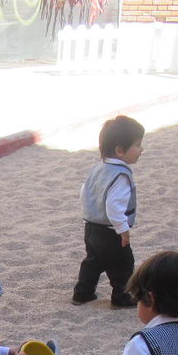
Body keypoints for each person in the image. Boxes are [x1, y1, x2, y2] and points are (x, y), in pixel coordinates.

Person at [72, 115, 145, 308]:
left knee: (92, 262)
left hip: (91, 227)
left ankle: (82, 292)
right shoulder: (121, 175)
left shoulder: (97, 169)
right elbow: (114, 207)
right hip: (111, 231)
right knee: (122, 264)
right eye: (137, 145)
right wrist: (122, 229)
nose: (141, 149)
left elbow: (84, 193)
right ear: (120, 150)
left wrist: (90, 214)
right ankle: (122, 297)